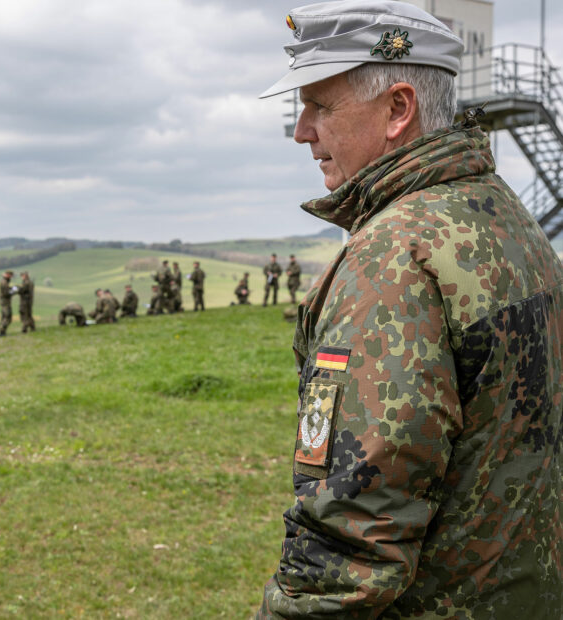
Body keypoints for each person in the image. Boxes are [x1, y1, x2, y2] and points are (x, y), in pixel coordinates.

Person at [257, 2, 563, 617]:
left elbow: (348, 545)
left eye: (320, 105)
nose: (301, 130)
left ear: (398, 109)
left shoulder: (392, 260)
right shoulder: (503, 216)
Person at [0, 269, 16, 336]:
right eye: (10, 275)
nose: (11, 277)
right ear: (8, 275)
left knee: (4, 317)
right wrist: (13, 290)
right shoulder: (4, 282)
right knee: (7, 317)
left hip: (4, 302)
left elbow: (6, 290)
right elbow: (6, 293)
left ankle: (2, 331)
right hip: (5, 302)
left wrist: (11, 288)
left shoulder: (4, 281)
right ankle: (2, 331)